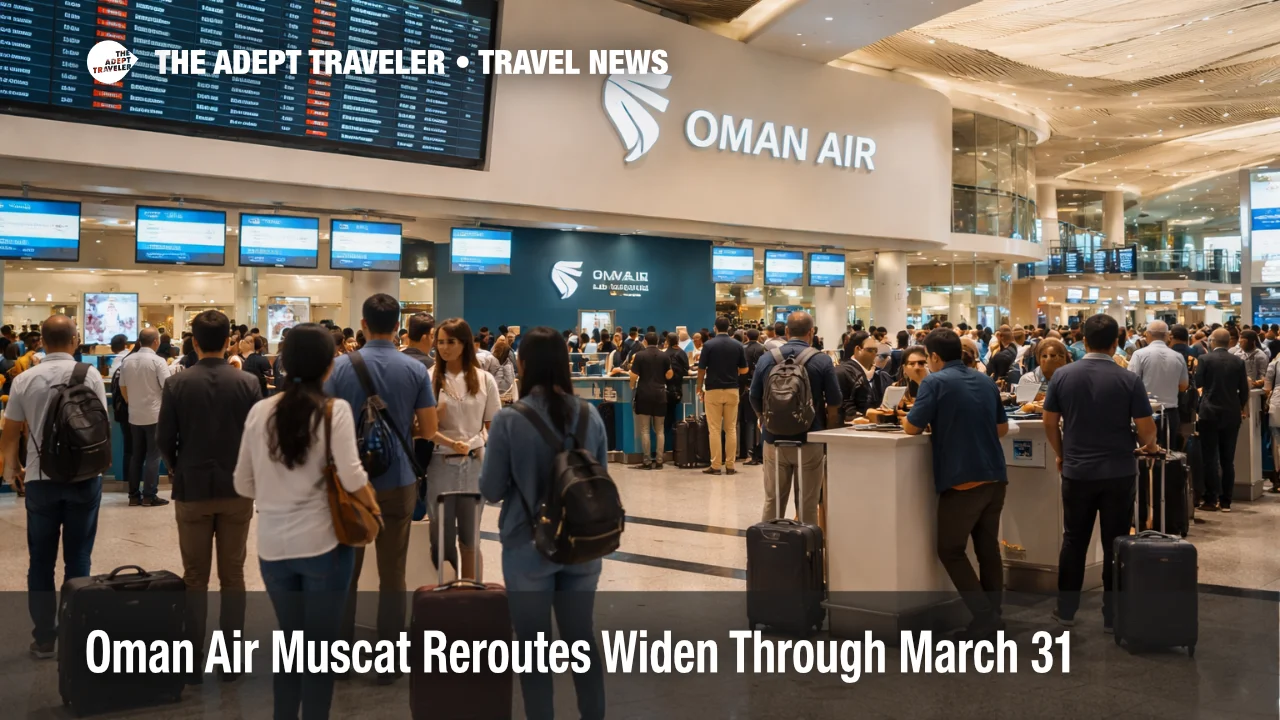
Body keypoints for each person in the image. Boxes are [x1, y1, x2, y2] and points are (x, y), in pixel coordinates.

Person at [234, 323, 372, 718]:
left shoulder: (261, 411)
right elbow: (351, 477)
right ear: (329, 365)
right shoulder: (335, 411)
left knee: (291, 645)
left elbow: (243, 484)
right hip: (326, 547)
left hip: (273, 549)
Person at [479, 327, 607, 720]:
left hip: (526, 544)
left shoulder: (509, 421)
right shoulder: (591, 415)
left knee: (533, 648)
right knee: (581, 639)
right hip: (583, 543)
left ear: (523, 364)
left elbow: (491, 489)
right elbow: (598, 477)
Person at [327, 294, 439, 675]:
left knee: (347, 570)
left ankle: (339, 659)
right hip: (399, 480)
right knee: (393, 571)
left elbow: (326, 425)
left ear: (363, 323)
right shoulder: (414, 370)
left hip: (349, 483)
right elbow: (430, 429)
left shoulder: (340, 368)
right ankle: (388, 660)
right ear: (398, 327)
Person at [157, 310, 261, 682]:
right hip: (237, 490)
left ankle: (191, 660)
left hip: (193, 488)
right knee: (233, 576)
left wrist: (175, 466)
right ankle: (232, 661)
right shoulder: (248, 383)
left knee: (195, 577)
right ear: (229, 340)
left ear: (194, 342)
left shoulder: (178, 384)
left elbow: (164, 439)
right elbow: (257, 438)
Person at [1042, 314, 1158, 632]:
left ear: (1083, 341)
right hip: (1119, 472)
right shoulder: (1128, 379)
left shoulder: (1063, 376)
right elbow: (1148, 432)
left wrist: (1062, 455)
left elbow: (1049, 423)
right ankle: (1112, 614)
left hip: (1077, 471)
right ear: (1116, 342)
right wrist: (1145, 445)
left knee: (1074, 540)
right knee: (1115, 543)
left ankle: (1065, 610)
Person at [1, 315, 107, 658]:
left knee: (41, 561)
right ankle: (77, 636)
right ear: (75, 340)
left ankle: (44, 638)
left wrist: (11, 467)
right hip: (84, 478)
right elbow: (99, 425)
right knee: (79, 558)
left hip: (40, 479)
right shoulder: (89, 375)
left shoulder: (24, 379)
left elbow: (11, 430)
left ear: (41, 342)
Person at [903, 329, 1009, 640]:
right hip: (995, 476)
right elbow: (1001, 428)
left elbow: (912, 427)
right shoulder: (985, 379)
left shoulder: (934, 382)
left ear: (934, 357)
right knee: (988, 548)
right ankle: (993, 616)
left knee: (949, 549)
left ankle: (985, 616)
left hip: (963, 480)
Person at [749, 311, 841, 525]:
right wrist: (826, 431)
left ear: (787, 331)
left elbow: (754, 396)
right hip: (811, 439)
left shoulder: (767, 358)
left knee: (773, 501)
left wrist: (764, 419)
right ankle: (807, 553)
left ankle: (770, 546)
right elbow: (835, 401)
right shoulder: (822, 360)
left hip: (773, 441)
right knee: (808, 502)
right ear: (812, 332)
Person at [427, 318, 500, 579]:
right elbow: (421, 428)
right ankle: (443, 597)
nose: (444, 348)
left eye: (451, 342)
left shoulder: (484, 379)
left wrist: (477, 444)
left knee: (470, 539)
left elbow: (493, 425)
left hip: (473, 463)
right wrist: (445, 436)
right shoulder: (429, 377)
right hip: (439, 464)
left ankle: (471, 597)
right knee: (441, 540)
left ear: (465, 344)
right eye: (440, 342)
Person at [1196, 328, 1250, 512]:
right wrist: (1239, 406)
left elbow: (1198, 383)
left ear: (1212, 341)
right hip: (1231, 413)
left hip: (1209, 413)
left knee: (1210, 458)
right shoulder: (1238, 362)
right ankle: (1226, 500)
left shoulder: (1204, 359)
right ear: (1229, 342)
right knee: (1228, 460)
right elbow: (1244, 390)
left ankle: (1211, 499)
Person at [118, 328, 171, 507]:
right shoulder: (158, 361)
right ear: (156, 342)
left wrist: (131, 402)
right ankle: (149, 495)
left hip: (134, 415)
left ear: (139, 341)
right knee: (153, 456)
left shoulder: (127, 361)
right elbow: (167, 386)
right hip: (155, 415)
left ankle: (133, 496)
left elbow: (122, 387)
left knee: (136, 456)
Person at [697, 317, 748, 476]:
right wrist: (734, 373)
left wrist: (699, 387)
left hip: (713, 391)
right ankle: (731, 466)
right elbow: (745, 370)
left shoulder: (709, 345)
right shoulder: (738, 345)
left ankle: (716, 465)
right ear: (729, 328)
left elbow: (701, 369)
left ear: (715, 328)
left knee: (714, 429)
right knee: (731, 428)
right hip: (732, 390)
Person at [628, 331, 672, 470]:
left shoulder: (640, 356)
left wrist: (631, 385)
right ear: (658, 341)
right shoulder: (664, 355)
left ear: (645, 341)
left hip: (644, 394)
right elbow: (669, 375)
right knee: (660, 430)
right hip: (660, 395)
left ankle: (647, 461)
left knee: (645, 430)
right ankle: (659, 461)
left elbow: (634, 375)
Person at [740, 328, 766, 466]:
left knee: (749, 421)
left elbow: (742, 370)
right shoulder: (764, 349)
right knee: (762, 419)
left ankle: (750, 454)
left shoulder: (743, 349)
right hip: (763, 388)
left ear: (747, 336)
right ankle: (762, 451)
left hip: (748, 388)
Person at [1018, 337, 1069, 402]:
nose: (1050, 360)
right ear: (1038, 359)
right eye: (1045, 356)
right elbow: (1023, 403)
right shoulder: (1027, 379)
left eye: (1060, 356)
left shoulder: (1070, 378)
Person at [664, 332, 690, 446]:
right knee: (676, 416)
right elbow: (686, 369)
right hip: (679, 389)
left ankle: (666, 444)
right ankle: (677, 444)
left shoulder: (664, 354)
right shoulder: (682, 353)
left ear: (667, 341)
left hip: (665, 389)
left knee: (666, 419)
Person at [493, 336, 519, 405]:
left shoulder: (491, 359)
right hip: (503, 395)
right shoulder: (507, 364)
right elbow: (509, 382)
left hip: (498, 394)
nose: (503, 342)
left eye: (504, 340)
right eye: (501, 340)